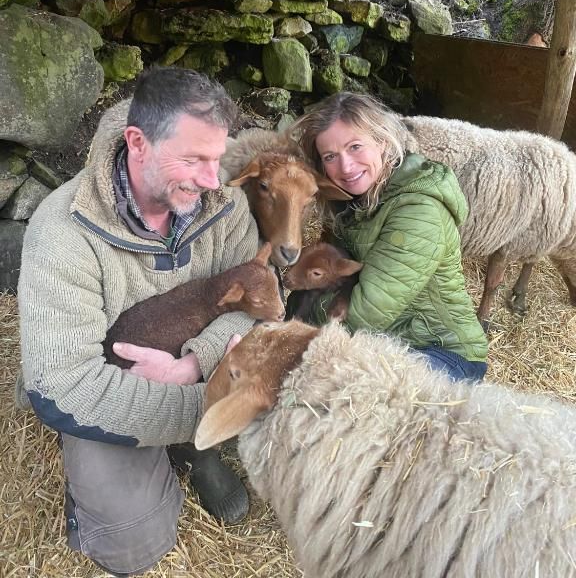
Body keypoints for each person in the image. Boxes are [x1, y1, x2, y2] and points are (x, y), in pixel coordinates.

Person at [17, 67, 261, 576]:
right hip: (114, 377)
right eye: (194, 159)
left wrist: (195, 365)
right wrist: (205, 413)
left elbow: (245, 304)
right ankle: (132, 456)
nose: (213, 180)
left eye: (216, 159)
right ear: (137, 142)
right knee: (131, 542)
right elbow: (66, 382)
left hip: (199, 372)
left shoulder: (229, 207)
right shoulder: (63, 231)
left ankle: (195, 452)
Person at [290, 91, 488, 382]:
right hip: (385, 343)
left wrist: (300, 305)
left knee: (352, 404)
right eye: (331, 156)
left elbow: (362, 314)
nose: (345, 167)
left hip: (441, 352)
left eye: (355, 146)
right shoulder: (355, 202)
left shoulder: (419, 210)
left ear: (382, 141)